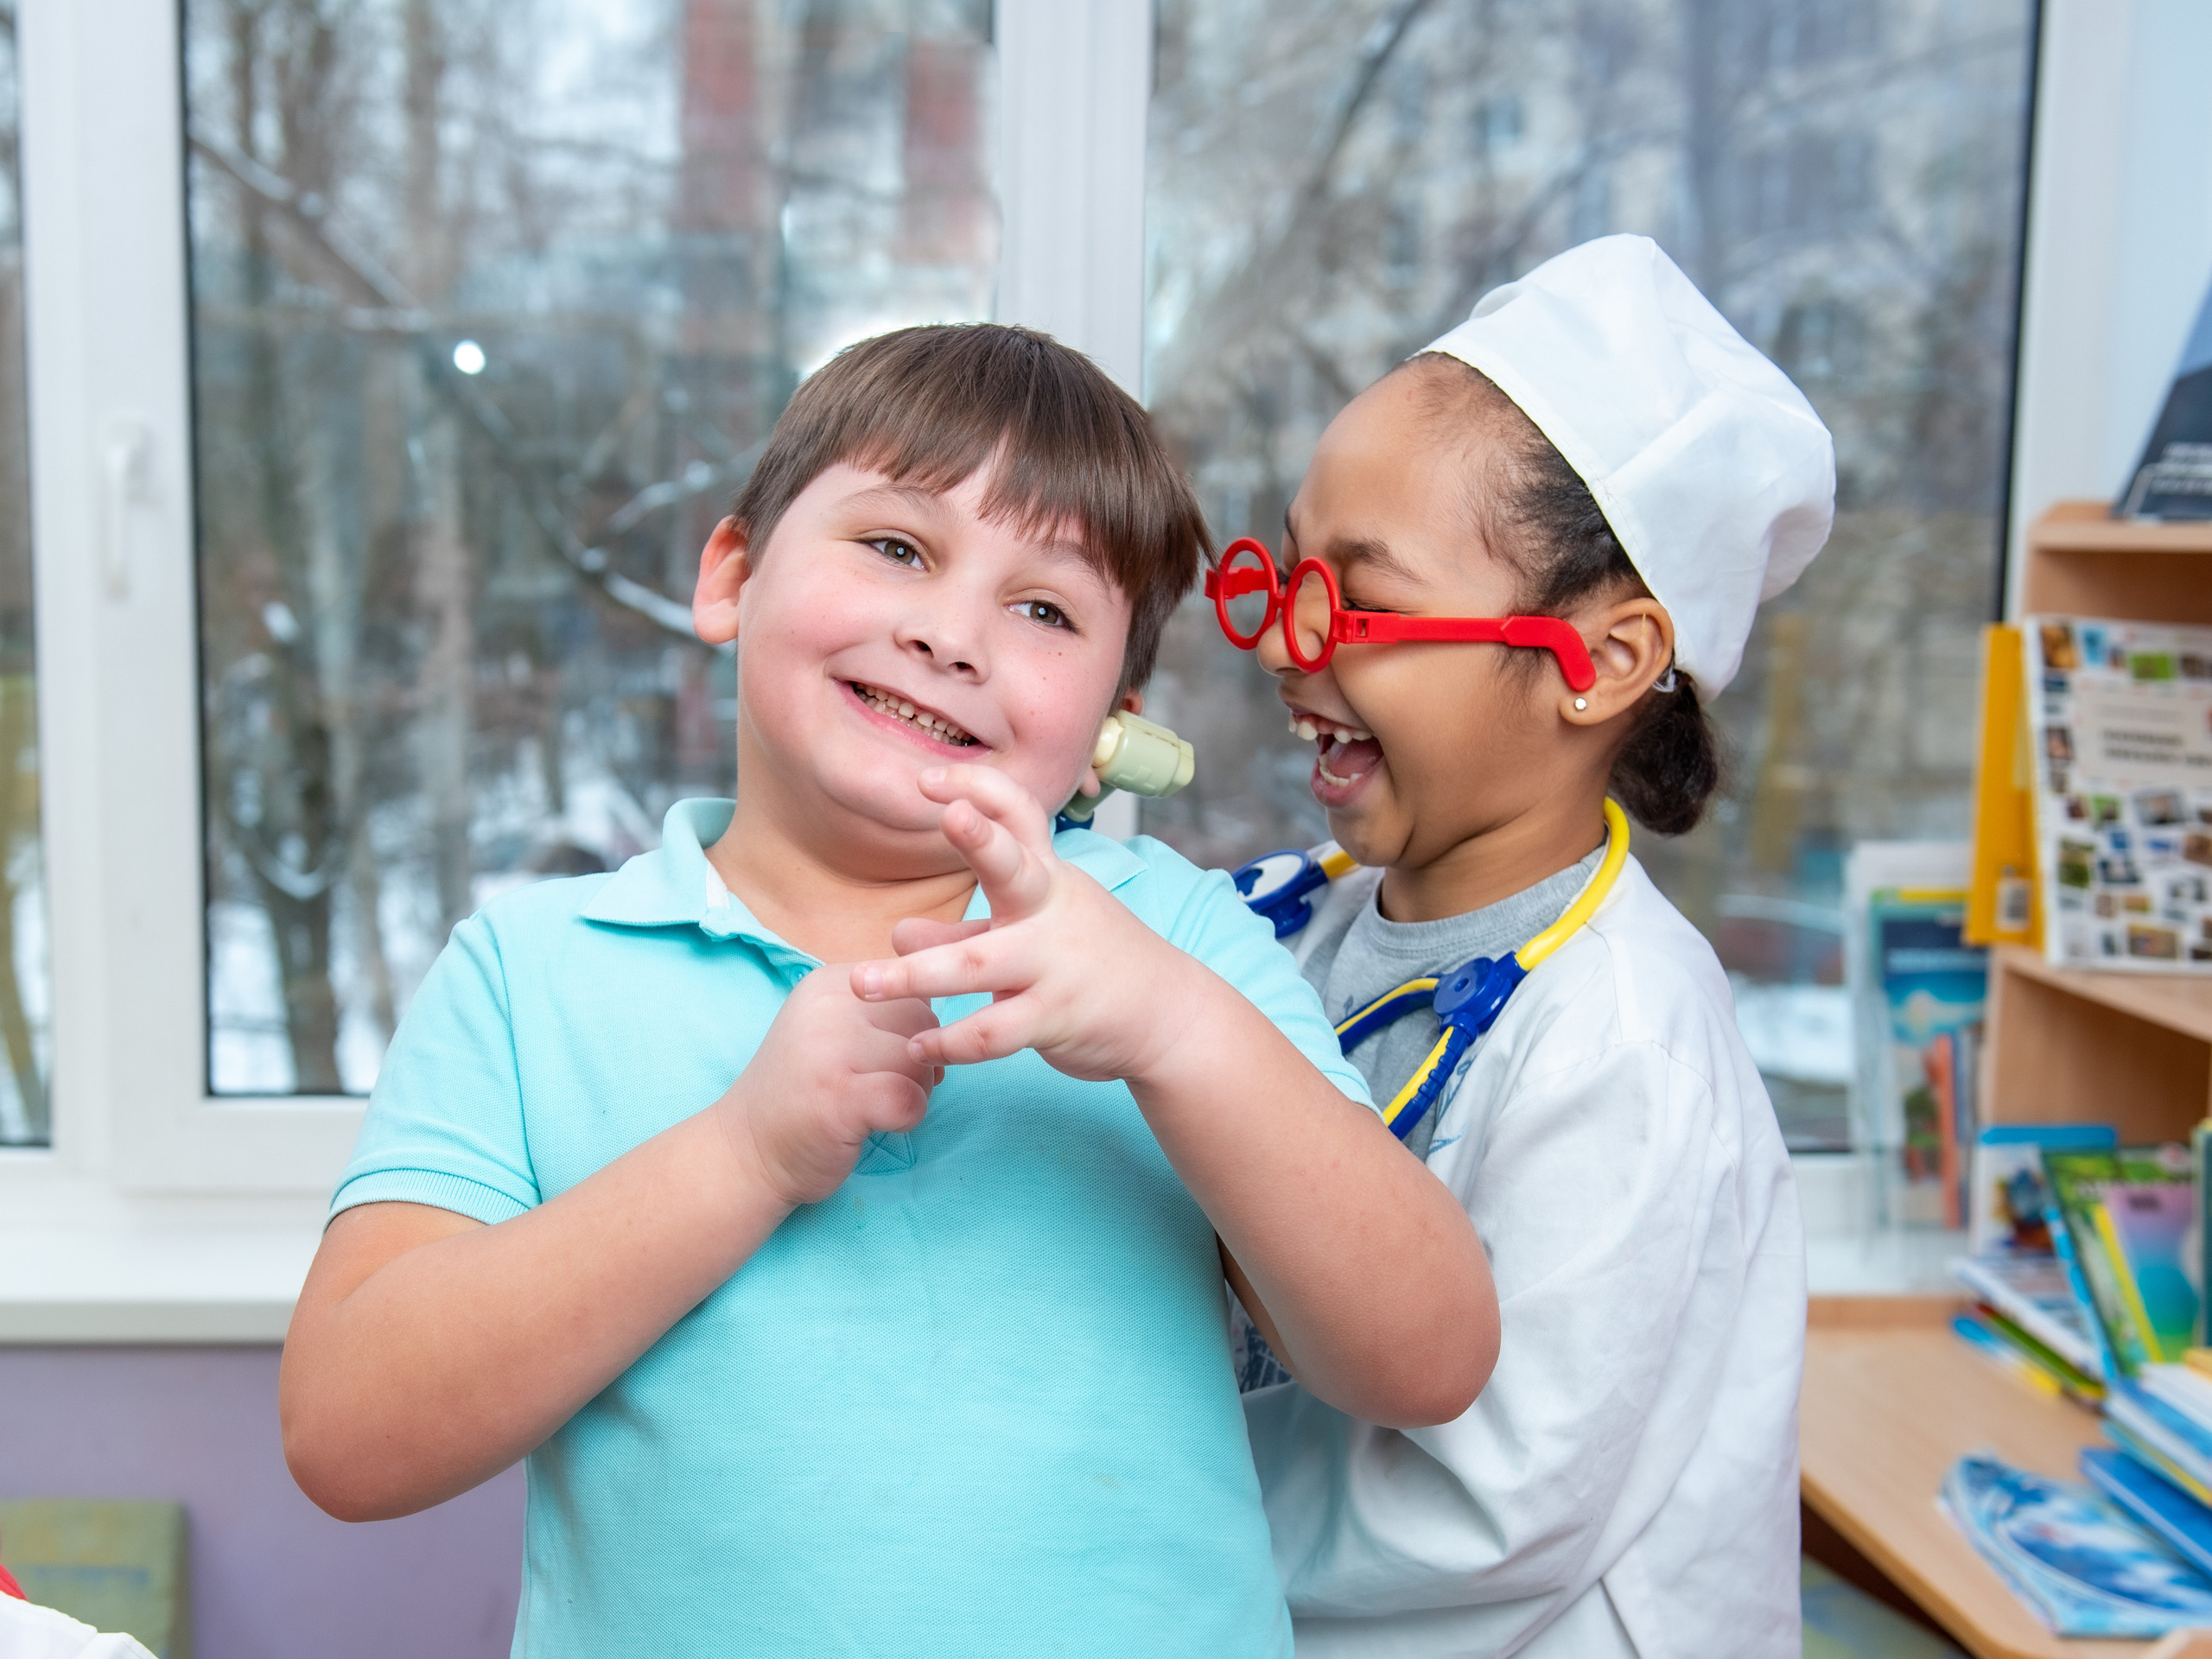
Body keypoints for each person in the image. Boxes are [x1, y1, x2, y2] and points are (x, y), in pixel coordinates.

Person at [276, 323, 1498, 1659]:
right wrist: (743, 1154)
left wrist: (1171, 1029)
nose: (949, 634)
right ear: (733, 573)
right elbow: (348, 1434)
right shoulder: (531, 977)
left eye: (1045, 610)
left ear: (1111, 728)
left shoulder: (1176, 947)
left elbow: (1426, 1361)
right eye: (898, 548)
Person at [1216, 235, 1833, 1656]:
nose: (1288, 646)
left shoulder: (1626, 1035)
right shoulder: (1282, 921)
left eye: (1358, 597)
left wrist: (1136, 1483)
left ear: (1603, 662)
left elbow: (1487, 1509)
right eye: (1290, 575)